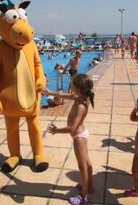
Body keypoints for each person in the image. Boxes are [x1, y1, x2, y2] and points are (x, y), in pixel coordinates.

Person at [43, 74, 95, 204]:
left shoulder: (80, 106)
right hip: (82, 133)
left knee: (82, 166)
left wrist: (56, 131)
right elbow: (65, 96)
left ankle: (83, 197)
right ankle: (90, 185)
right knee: (87, 162)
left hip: (78, 137)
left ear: (77, 89)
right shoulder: (80, 97)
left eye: (72, 84)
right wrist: (50, 92)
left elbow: (72, 128)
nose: (70, 86)